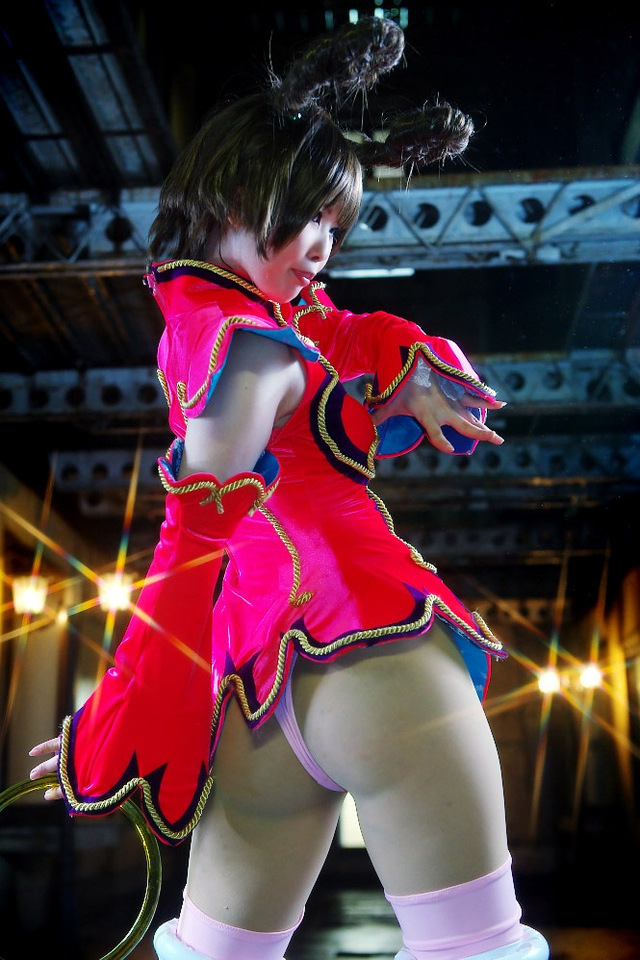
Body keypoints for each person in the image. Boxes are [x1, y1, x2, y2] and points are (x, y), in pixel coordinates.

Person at [29, 17, 550, 960]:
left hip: (262, 693)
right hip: (377, 657)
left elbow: (338, 328)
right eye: (304, 218)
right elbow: (193, 541)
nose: (319, 246)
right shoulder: (251, 350)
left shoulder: (226, 318)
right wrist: (120, 707)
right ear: (233, 193)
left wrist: (405, 360)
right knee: (474, 950)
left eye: (332, 227)